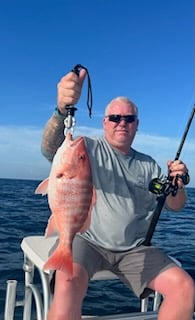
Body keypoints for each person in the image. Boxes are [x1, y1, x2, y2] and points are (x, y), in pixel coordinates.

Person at [41, 68, 195, 320]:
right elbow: (50, 148)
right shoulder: (86, 148)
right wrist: (61, 111)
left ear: (137, 125)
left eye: (129, 118)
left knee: (185, 287)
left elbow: (175, 205)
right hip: (86, 239)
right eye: (114, 117)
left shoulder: (149, 165)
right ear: (104, 122)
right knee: (67, 282)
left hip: (134, 249)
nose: (121, 122)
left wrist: (177, 185)